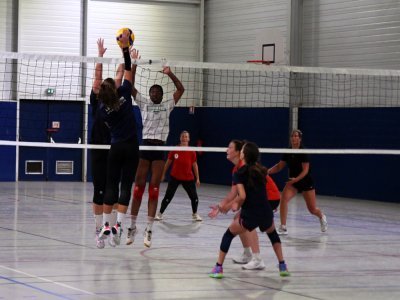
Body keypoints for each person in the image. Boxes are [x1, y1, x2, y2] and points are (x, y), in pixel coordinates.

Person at [127, 48, 185, 248]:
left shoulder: (168, 104)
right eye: (152, 91)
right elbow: (131, 87)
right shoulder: (143, 103)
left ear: (161, 95)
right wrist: (133, 64)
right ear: (149, 94)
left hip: (159, 149)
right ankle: (132, 226)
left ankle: (149, 229)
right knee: (137, 189)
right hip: (145, 148)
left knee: (153, 190)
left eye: (157, 91)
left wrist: (169, 73)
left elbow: (181, 89)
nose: (154, 93)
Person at [209, 142, 290, 278]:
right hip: (264, 207)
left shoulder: (241, 172)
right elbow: (234, 195)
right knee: (271, 233)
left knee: (234, 231)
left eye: (230, 147)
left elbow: (242, 196)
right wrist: (222, 206)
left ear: (241, 153)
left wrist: (235, 206)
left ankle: (221, 268)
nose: (227, 150)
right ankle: (282, 265)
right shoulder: (258, 170)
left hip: (266, 201)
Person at [96, 32, 140, 247]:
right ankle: (118, 226)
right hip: (131, 147)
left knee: (111, 185)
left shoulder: (103, 110)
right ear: (115, 87)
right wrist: (126, 50)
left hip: (115, 147)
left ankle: (106, 224)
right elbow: (129, 72)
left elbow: (104, 85)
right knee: (125, 187)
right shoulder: (124, 93)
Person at [268, 129, 327, 235]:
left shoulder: (303, 151)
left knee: (312, 209)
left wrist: (296, 179)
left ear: (300, 139)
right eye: (292, 136)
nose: (294, 138)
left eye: (296, 136)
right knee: (284, 200)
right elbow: (279, 166)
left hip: (305, 182)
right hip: (293, 182)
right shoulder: (288, 151)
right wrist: (267, 172)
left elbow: (305, 170)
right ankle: (283, 226)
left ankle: (321, 216)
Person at [90, 38, 112, 249]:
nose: (100, 87)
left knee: (111, 192)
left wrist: (126, 62)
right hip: (97, 148)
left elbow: (122, 80)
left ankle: (110, 229)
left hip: (113, 149)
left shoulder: (115, 104)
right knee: (99, 191)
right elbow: (97, 78)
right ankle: (98, 231)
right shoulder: (96, 102)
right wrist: (100, 55)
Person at [154, 130, 202, 222]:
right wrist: (163, 174)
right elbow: (168, 163)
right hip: (175, 177)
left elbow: (194, 165)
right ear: (180, 138)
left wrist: (198, 178)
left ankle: (195, 214)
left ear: (189, 139)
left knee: (194, 198)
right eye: (183, 136)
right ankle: (159, 214)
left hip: (188, 178)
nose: (184, 138)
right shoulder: (175, 149)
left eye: (186, 136)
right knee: (168, 196)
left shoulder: (192, 151)